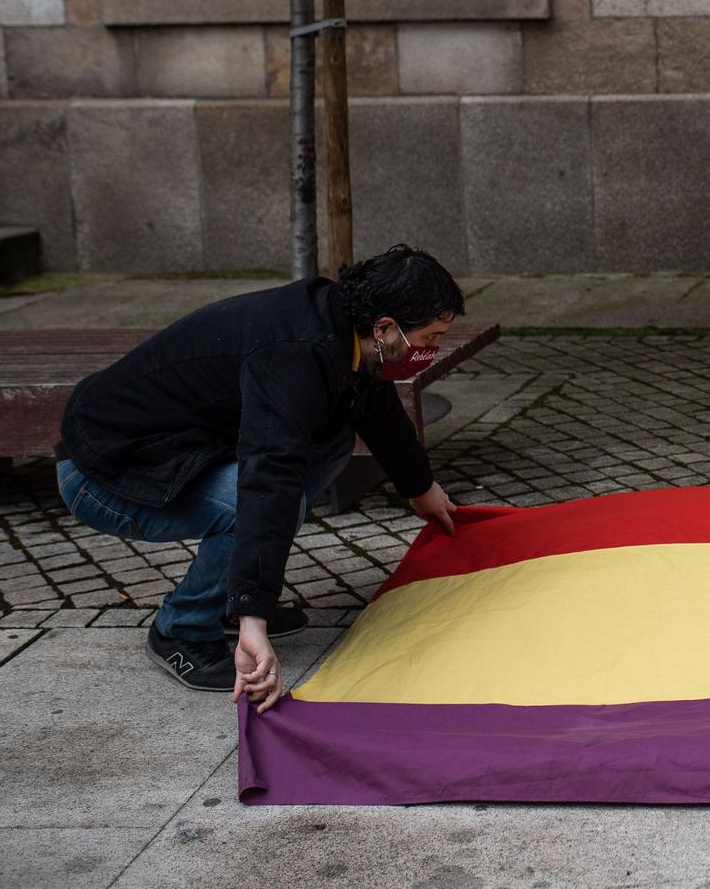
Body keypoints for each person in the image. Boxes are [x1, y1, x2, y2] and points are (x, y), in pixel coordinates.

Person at [55, 245, 465, 709]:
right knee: (258, 502)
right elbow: (269, 475)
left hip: (174, 451)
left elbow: (377, 410)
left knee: (330, 441)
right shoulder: (294, 353)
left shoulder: (344, 330)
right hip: (104, 473)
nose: (433, 350)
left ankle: (228, 599)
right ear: (385, 327)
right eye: (430, 337)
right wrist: (254, 612)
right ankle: (183, 628)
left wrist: (421, 490)